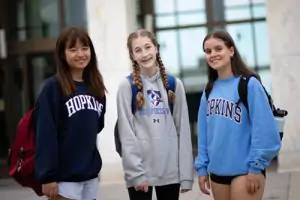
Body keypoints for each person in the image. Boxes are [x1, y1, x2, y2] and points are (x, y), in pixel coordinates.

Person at [194, 29, 281, 200]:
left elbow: (264, 129)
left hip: (246, 171)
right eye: (208, 51)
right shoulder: (209, 90)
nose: (213, 54)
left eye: (218, 49)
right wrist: (202, 168)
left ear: (231, 51)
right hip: (217, 172)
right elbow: (203, 134)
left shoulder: (249, 85)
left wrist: (256, 167)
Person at [116, 29, 194, 200]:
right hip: (141, 173)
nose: (144, 54)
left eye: (147, 47)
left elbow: (183, 130)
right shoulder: (126, 86)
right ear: (132, 55)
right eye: (138, 50)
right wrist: (136, 174)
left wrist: (186, 175)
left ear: (156, 48)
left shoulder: (174, 84)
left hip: (170, 173)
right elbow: (126, 134)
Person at [34, 27, 106, 200]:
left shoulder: (95, 87)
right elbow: (45, 133)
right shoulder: (53, 88)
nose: (80, 54)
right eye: (73, 49)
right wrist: (48, 176)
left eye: (84, 48)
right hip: (64, 179)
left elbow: (97, 126)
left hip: (90, 176)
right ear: (62, 54)